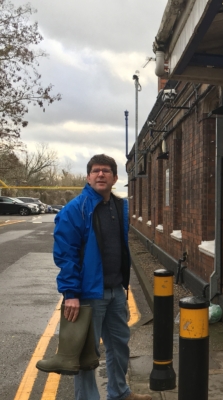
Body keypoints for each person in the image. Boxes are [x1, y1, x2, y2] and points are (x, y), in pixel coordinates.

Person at [53, 154, 151, 400]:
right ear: (88, 177)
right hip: (88, 294)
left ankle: (119, 393)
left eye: (106, 171)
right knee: (86, 353)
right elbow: (66, 254)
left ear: (115, 178)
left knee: (119, 346)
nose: (100, 174)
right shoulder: (75, 209)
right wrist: (71, 294)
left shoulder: (120, 206)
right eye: (95, 171)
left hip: (116, 291)